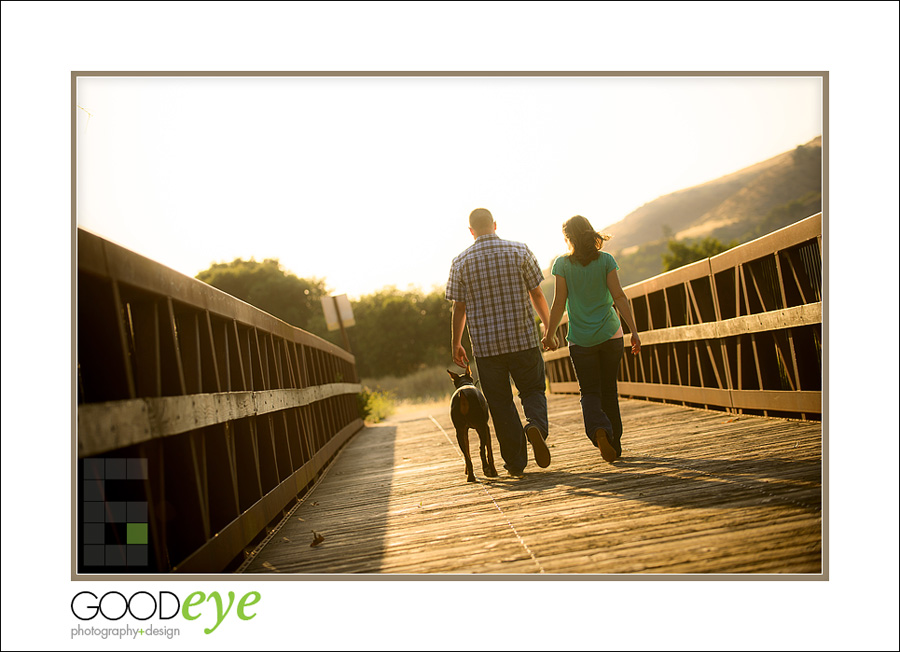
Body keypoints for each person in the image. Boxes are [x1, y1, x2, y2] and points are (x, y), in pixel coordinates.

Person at [446, 208, 553, 477]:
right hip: (524, 340)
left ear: (471, 231)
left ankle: (516, 462)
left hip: (486, 348)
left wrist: (456, 343)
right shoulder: (520, 250)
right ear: (494, 224)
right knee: (532, 391)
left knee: (501, 403)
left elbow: (460, 307)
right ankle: (536, 428)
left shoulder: (460, 261)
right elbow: (537, 293)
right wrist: (549, 328)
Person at [542, 215, 641, 464]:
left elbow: (559, 302)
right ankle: (614, 444)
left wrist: (550, 333)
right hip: (610, 334)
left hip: (581, 338)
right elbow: (618, 296)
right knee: (609, 390)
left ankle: (599, 430)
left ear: (568, 238)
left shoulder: (562, 264)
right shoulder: (606, 260)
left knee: (589, 392)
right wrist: (634, 331)